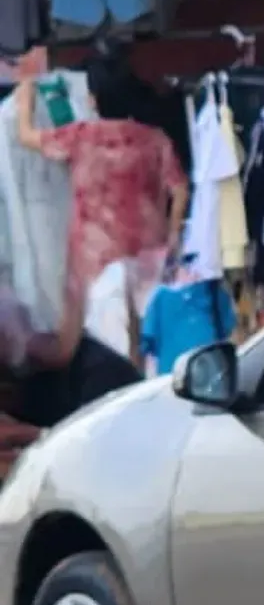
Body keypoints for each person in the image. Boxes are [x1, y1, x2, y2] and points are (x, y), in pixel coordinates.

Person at [12, 48, 189, 380]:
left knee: (98, 350)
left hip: (94, 260)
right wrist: (173, 234)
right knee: (146, 343)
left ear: (93, 100)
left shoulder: (82, 136)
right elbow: (179, 189)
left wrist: (25, 97)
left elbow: (26, 137)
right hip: (147, 253)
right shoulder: (154, 139)